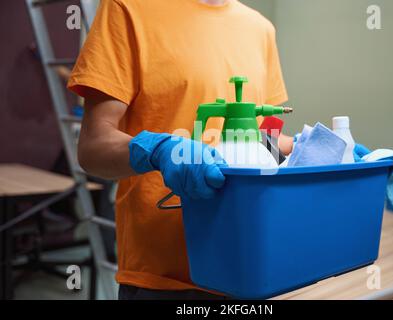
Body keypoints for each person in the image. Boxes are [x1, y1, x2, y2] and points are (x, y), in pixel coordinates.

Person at [68, 0, 290, 300]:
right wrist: (158, 149)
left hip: (249, 267)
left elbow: (266, 138)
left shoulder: (260, 28)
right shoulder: (128, 9)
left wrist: (314, 150)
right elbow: (93, 147)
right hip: (165, 280)